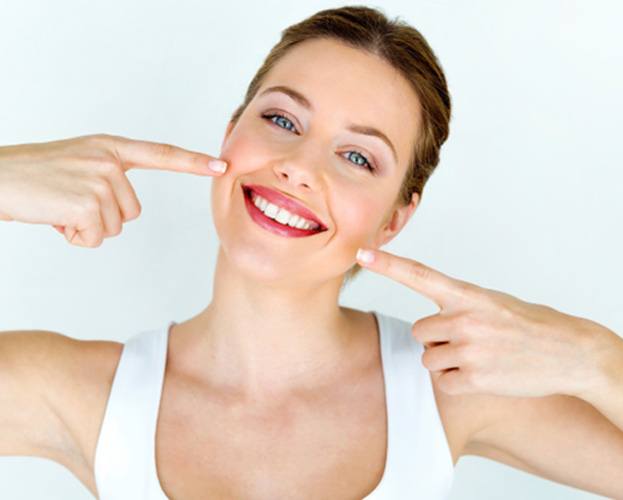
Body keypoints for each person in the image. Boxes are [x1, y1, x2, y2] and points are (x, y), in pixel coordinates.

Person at [1, 5, 622, 500]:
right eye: (282, 120)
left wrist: (596, 357)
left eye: (357, 157)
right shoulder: (87, 393)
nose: (298, 167)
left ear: (394, 219)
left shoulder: (447, 388)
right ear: (230, 133)